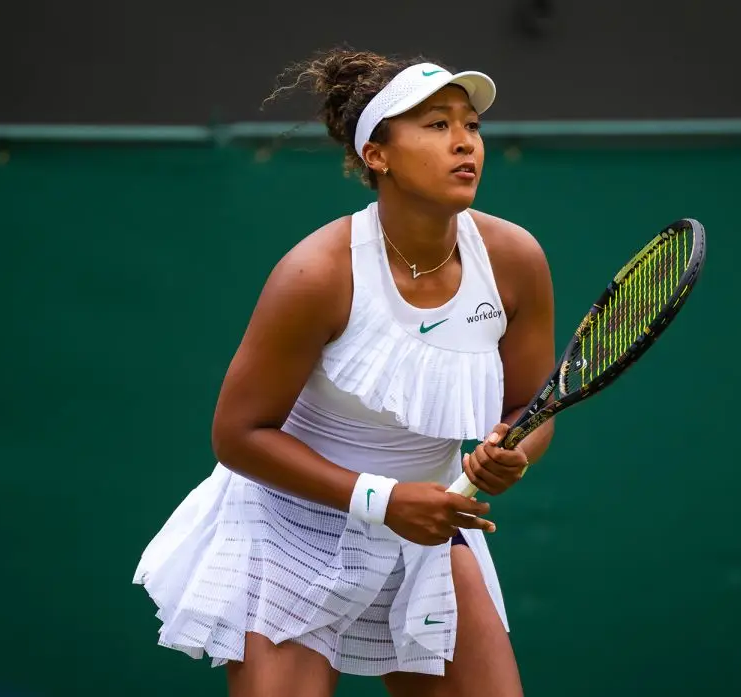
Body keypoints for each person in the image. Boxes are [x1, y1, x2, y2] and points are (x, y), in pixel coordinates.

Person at [132, 47, 556, 697]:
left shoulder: (515, 261)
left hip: (424, 526)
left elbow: (532, 407)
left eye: (471, 125)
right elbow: (238, 435)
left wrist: (513, 452)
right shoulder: (318, 273)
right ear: (376, 156)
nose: (465, 142)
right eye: (437, 125)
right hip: (289, 527)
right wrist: (381, 500)